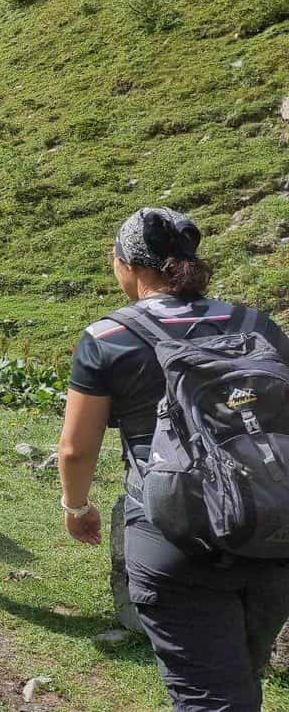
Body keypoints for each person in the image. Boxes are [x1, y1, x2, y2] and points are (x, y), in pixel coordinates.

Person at [59, 207, 289, 710]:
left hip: (175, 534)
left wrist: (77, 508)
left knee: (210, 695)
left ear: (127, 265)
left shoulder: (108, 337)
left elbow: (76, 449)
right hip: (270, 527)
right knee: (239, 676)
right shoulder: (256, 324)